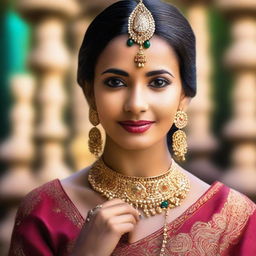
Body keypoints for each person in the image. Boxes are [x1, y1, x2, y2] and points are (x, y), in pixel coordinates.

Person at [8, 0, 256, 255]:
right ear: (89, 93)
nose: (136, 104)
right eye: (115, 82)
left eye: (158, 82)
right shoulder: (44, 211)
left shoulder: (233, 220)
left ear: (184, 95)